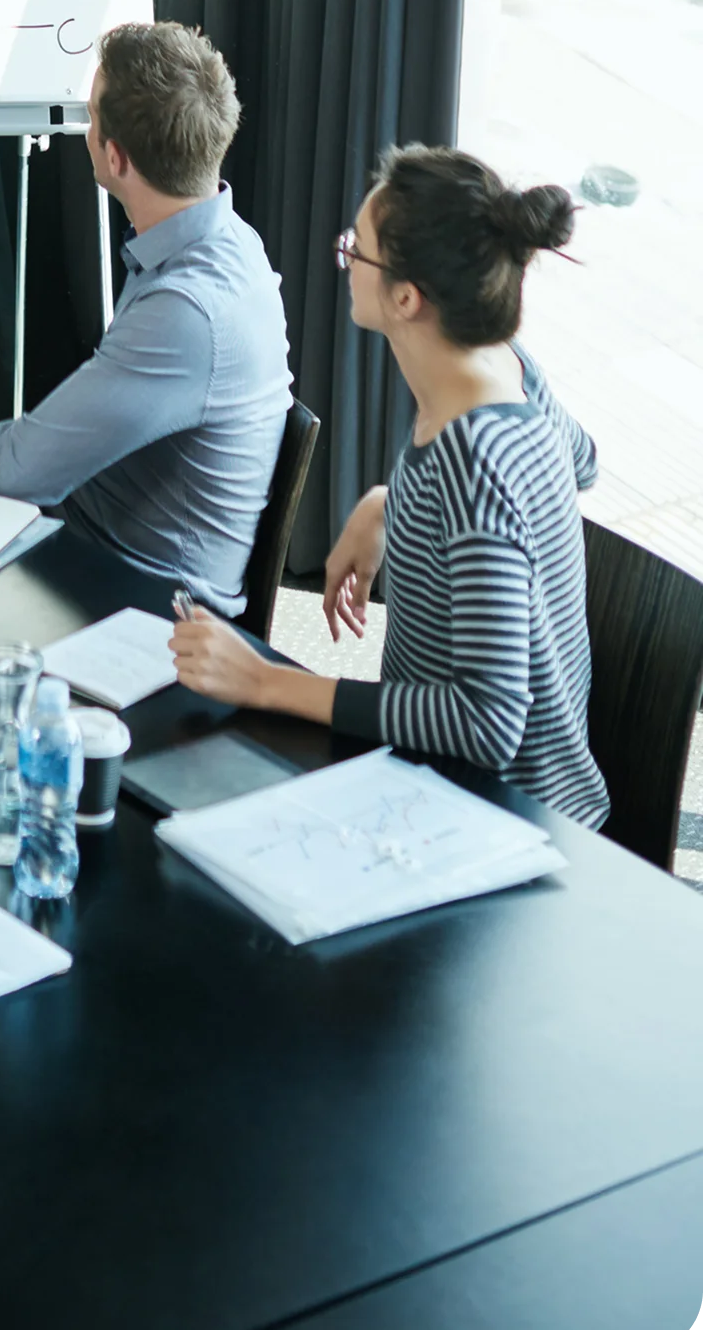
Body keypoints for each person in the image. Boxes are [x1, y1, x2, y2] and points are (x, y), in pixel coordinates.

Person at [172, 146, 609, 827]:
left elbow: (486, 722)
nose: (345, 259)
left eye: (357, 249)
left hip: (499, 818)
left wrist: (267, 680)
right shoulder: (507, 368)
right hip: (471, 788)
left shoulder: (471, 459)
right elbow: (580, 464)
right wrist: (390, 506)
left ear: (407, 298)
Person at [0, 22, 290, 613]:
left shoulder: (187, 312)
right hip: (106, 543)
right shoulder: (230, 241)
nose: (86, 127)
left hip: (139, 601)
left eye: (90, 116)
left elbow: (21, 471)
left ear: (115, 156)